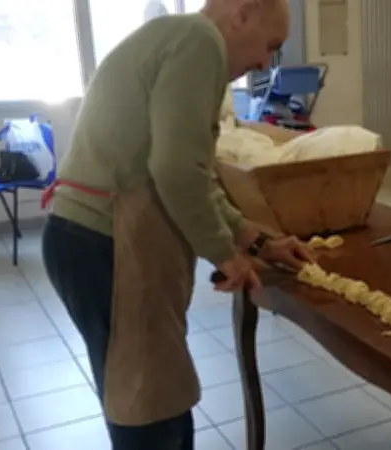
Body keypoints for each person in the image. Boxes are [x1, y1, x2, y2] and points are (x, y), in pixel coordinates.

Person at [40, 1, 311, 449]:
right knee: (147, 405)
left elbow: (194, 175)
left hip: (86, 240)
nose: (265, 63)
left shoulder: (179, 40)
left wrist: (256, 241)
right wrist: (225, 255)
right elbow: (175, 170)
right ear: (242, 13)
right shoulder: (198, 40)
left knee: (151, 391)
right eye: (270, 45)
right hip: (106, 242)